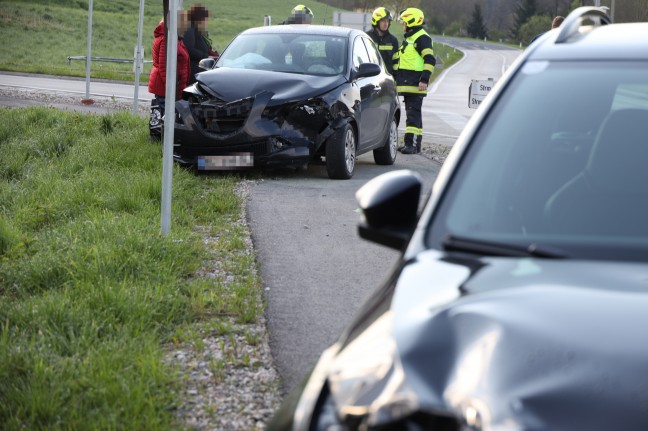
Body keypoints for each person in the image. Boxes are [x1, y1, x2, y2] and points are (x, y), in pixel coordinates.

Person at [393, 8, 436, 154]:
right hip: (409, 84)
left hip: (415, 85)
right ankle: (415, 145)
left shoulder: (421, 38)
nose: (402, 25)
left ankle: (410, 145)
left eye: (404, 22)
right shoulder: (411, 37)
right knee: (414, 115)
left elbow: (430, 59)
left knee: (412, 116)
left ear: (411, 22)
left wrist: (424, 79)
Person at [148, 13, 191, 142]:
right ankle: (163, 142)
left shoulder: (173, 38)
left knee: (165, 112)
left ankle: (162, 140)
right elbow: (164, 66)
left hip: (169, 84)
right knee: (165, 113)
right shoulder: (166, 39)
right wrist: (170, 87)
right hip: (164, 85)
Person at [183, 4, 218, 84]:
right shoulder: (190, 30)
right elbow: (189, 49)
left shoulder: (196, 29)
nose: (206, 21)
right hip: (193, 71)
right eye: (205, 18)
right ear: (199, 18)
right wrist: (205, 56)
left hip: (197, 69)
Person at [366, 7, 399, 75]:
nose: (386, 24)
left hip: (387, 79)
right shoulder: (366, 37)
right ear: (376, 22)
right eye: (383, 21)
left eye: (387, 21)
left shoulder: (393, 41)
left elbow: (396, 63)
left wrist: (395, 78)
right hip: (370, 77)